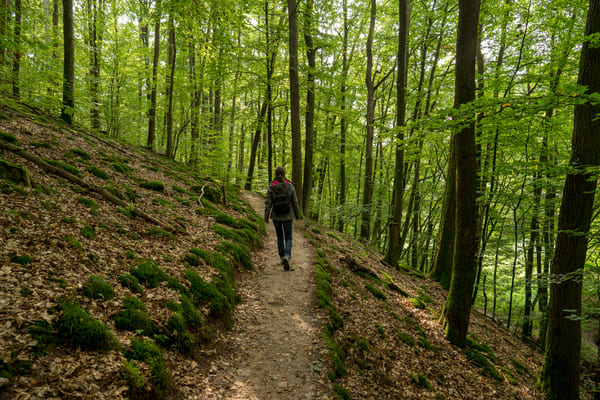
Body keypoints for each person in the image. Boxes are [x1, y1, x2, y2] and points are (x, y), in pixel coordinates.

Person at [264, 166, 299, 270]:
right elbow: (295, 202)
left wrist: (266, 216)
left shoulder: (271, 187)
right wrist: (297, 215)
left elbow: (268, 203)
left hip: (276, 216)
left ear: (275, 174)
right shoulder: (290, 186)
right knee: (288, 237)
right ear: (284, 173)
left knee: (280, 237)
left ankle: (282, 257)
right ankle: (287, 255)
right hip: (288, 215)